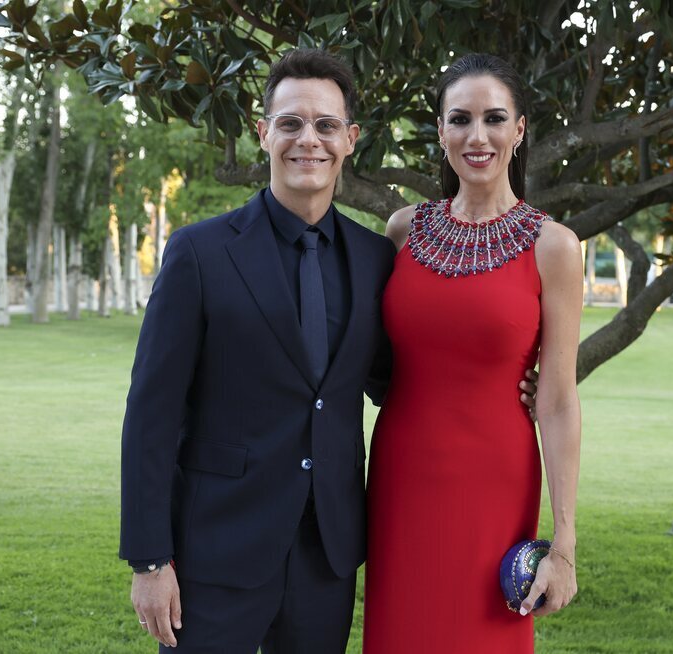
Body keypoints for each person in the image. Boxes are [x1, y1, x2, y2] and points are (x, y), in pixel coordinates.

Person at [119, 48, 537, 653]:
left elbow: (407, 376)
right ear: (263, 134)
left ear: (350, 140)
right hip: (215, 553)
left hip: (327, 558)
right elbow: (150, 416)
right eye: (290, 123)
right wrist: (150, 559)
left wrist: (512, 379)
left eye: (325, 125)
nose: (306, 140)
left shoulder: (374, 261)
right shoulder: (200, 254)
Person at [363, 53, 584, 654]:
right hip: (401, 475)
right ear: (440, 132)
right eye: (460, 119)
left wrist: (562, 546)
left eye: (494, 118)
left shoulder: (555, 247)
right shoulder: (403, 231)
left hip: (497, 480)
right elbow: (375, 362)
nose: (477, 136)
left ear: (520, 129)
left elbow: (560, 401)